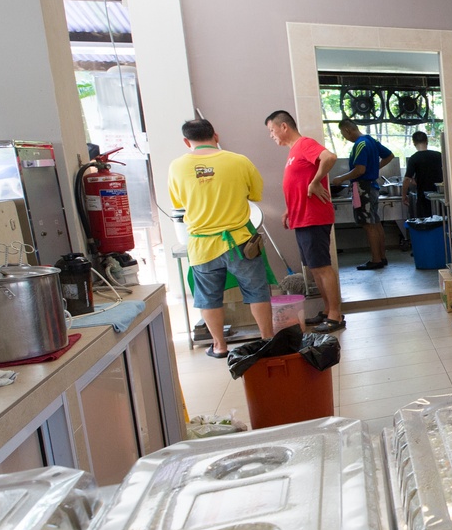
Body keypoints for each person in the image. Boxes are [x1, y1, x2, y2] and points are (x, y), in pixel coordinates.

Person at [167, 118, 272, 357]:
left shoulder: (177, 166)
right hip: (240, 242)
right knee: (257, 291)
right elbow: (255, 194)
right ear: (216, 136)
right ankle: (267, 340)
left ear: (186, 141)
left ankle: (219, 346)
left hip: (202, 245)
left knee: (208, 298)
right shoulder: (239, 161)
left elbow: (178, 202)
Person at [264, 110, 344, 331]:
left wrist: (316, 181)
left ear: (284, 127)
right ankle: (327, 310)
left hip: (313, 217)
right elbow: (298, 183)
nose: (271, 135)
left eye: (272, 130)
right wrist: (290, 210)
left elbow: (330, 157)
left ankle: (335, 315)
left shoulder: (304, 143)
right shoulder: (293, 152)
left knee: (322, 267)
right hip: (301, 217)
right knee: (315, 268)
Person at [331, 119, 394, 270]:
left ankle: (376, 260)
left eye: (343, 133)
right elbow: (390, 155)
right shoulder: (370, 141)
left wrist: (341, 178)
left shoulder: (360, 144)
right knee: (375, 223)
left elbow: (360, 170)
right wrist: (375, 168)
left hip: (363, 188)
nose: (344, 137)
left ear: (347, 130)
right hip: (372, 186)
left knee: (368, 225)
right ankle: (382, 257)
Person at [401, 130, 444, 220]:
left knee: (426, 222)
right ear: (427, 141)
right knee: (442, 221)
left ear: (414, 143)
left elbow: (407, 179)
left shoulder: (414, 158)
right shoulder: (439, 155)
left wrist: (404, 196)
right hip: (440, 196)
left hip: (423, 197)